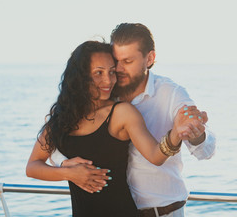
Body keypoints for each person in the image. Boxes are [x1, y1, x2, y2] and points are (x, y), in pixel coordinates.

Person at [52, 23, 216, 217]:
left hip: (164, 212)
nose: (118, 69)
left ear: (150, 59)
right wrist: (67, 166)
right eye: (116, 61)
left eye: (127, 61)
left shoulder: (172, 94)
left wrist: (196, 134)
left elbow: (206, 151)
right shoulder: (104, 93)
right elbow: (56, 142)